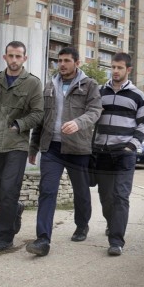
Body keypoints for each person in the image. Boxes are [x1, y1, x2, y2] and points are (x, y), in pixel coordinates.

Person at [26, 47, 102, 257]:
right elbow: (41, 118)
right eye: (59, 60)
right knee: (47, 190)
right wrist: (34, 147)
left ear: (77, 63)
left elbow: (95, 111)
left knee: (81, 191)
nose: (62, 64)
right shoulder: (50, 85)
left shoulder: (90, 85)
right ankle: (43, 239)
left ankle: (82, 224)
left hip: (78, 148)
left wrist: (79, 123)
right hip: (52, 148)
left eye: (67, 60)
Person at [0, 41, 44, 252]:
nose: (14, 60)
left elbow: (38, 113)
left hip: (17, 145)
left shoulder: (32, 83)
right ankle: (15, 209)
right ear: (4, 56)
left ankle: (5, 237)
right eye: (11, 56)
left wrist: (19, 125)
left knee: (9, 191)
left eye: (18, 56)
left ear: (24, 58)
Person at [93, 52, 144, 256]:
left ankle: (116, 241)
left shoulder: (138, 96)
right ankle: (111, 223)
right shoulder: (100, 92)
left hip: (124, 154)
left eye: (119, 67)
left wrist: (131, 146)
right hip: (102, 153)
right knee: (105, 196)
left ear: (128, 70)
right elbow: (91, 118)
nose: (115, 71)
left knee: (120, 196)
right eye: (113, 67)